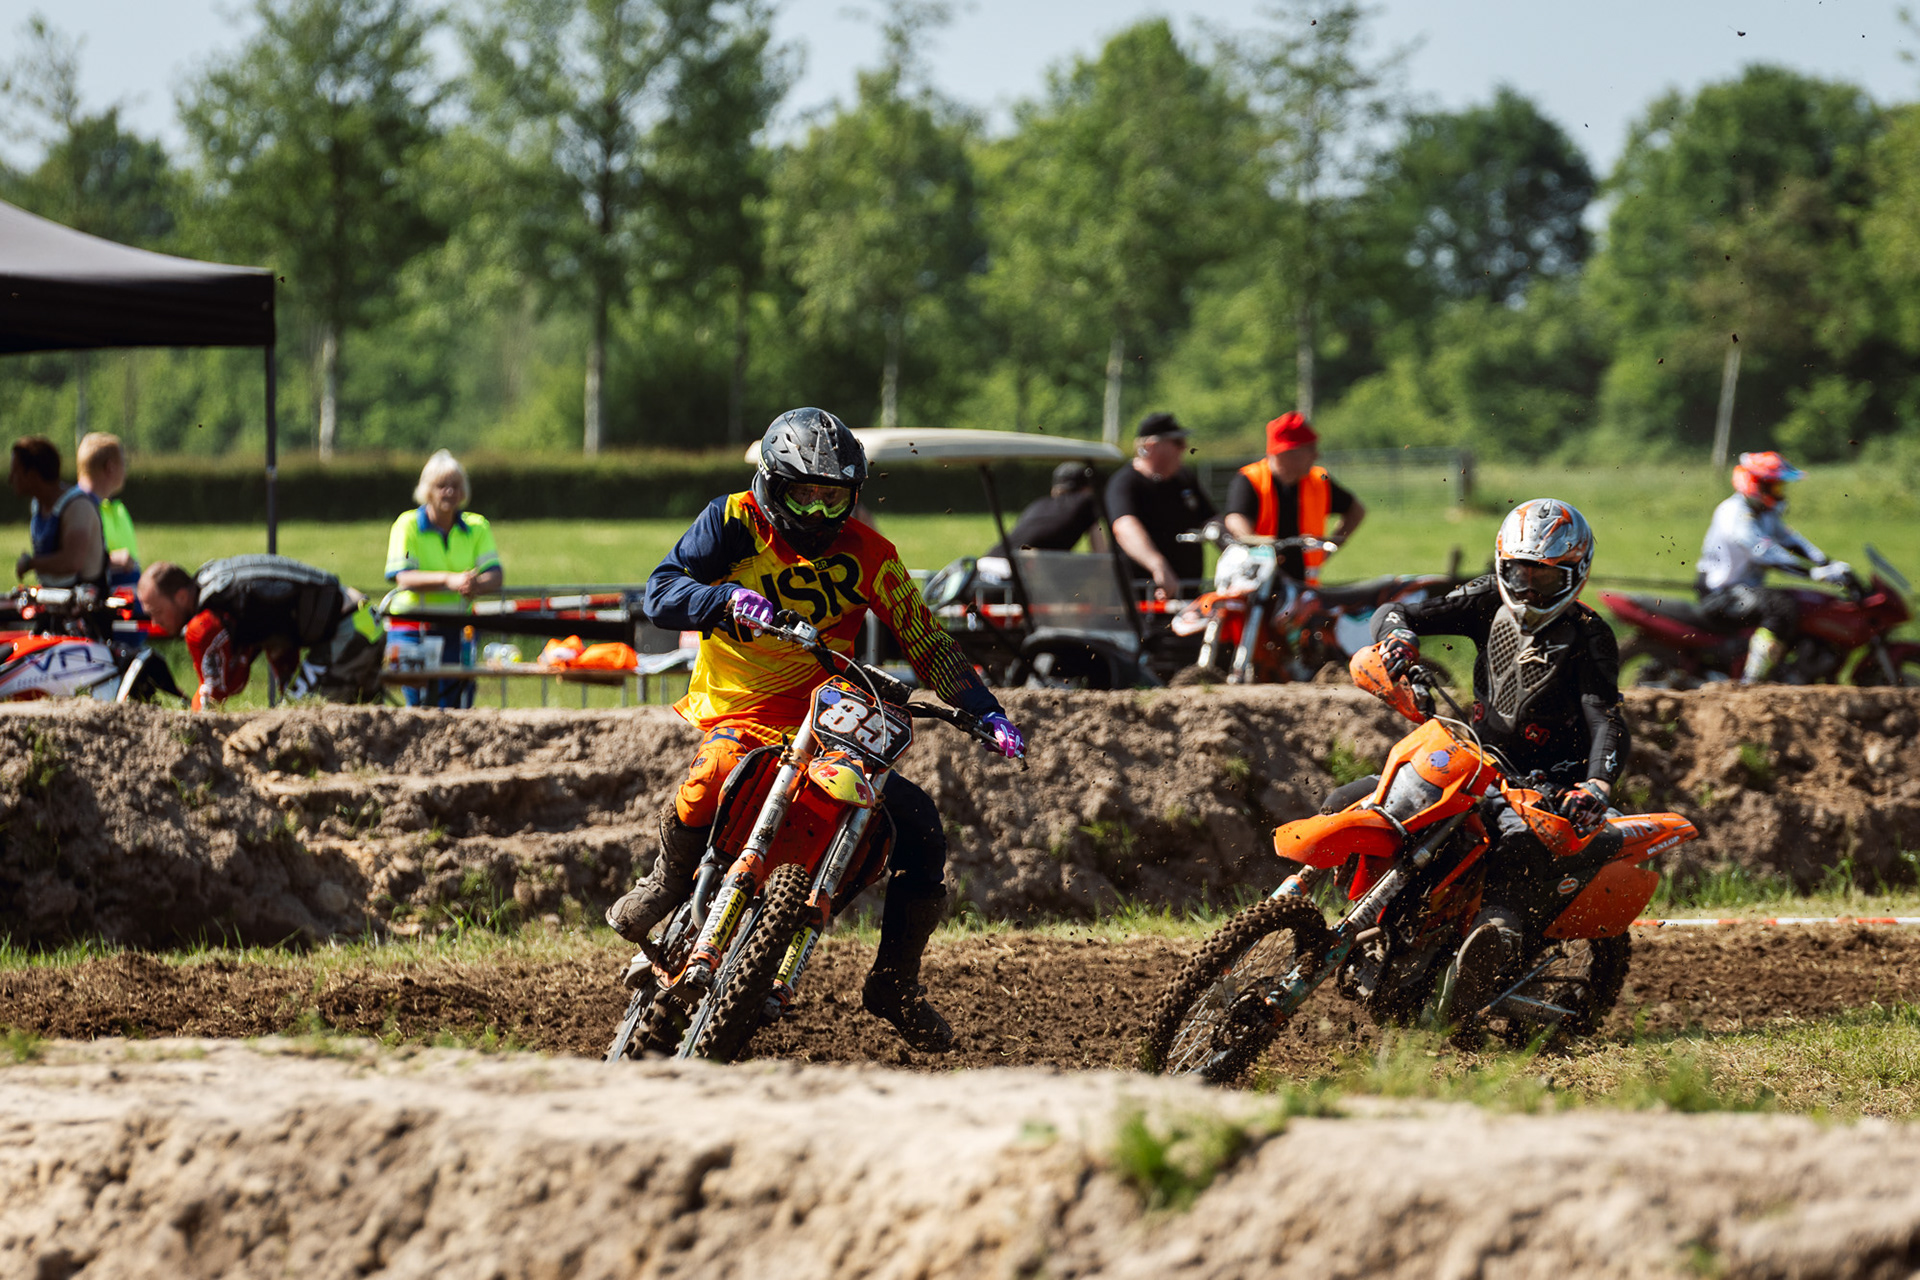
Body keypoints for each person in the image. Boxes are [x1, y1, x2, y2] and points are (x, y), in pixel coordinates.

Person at [608, 407, 1027, 1052]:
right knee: (714, 772)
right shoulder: (732, 520)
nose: (819, 511)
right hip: (743, 707)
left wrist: (986, 709)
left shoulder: (871, 554)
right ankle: (667, 880)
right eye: (804, 494)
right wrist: (721, 600)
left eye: (834, 498)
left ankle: (895, 983)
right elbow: (661, 592)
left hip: (832, 715)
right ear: (773, 485)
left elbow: (926, 640)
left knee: (918, 823)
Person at [1365, 499, 1628, 1018]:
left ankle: (1492, 946)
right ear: (1502, 565)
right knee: (1358, 800)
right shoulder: (1487, 597)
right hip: (1473, 758)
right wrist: (1397, 638)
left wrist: (1596, 785)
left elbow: (1606, 718)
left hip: (1547, 783)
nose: (1528, 591)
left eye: (1545, 579)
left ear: (1576, 574)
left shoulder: (1590, 634)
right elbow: (1400, 611)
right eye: (1519, 574)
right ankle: (1351, 919)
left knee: (1514, 843)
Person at [136, 555, 385, 709]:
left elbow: (212, 696)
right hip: (366, 622)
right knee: (366, 717)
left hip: (349, 631)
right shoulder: (219, 587)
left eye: (157, 611)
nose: (155, 622)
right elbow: (277, 638)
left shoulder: (207, 619)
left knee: (293, 720)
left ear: (181, 596)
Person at [1695, 451, 1848, 684]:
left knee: (1803, 603)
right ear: (1758, 485)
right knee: (1781, 607)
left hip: (1741, 588)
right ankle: (1752, 680)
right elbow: (1766, 554)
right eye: (1775, 486)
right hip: (1721, 592)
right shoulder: (1735, 514)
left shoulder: (1763, 513)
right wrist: (1814, 573)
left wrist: (1826, 562)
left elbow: (1789, 540)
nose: (1780, 492)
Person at [384, 450, 503, 709]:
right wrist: (449, 580)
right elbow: (403, 577)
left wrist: (475, 585)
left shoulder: (477, 526)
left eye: (456, 486)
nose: (449, 492)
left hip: (457, 627)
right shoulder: (407, 524)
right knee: (418, 702)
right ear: (427, 490)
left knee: (458, 698)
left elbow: (496, 575)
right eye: (442, 486)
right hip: (411, 626)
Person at [1223, 412, 1366, 585]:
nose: (1316, 455)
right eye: (1310, 449)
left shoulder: (1320, 479)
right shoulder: (1250, 479)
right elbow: (1235, 519)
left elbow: (1356, 511)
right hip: (1261, 585)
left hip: (1306, 587)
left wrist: (1330, 545)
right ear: (1285, 452)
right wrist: (1258, 545)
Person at [1105, 412, 1215, 599]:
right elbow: (1124, 527)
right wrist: (1157, 565)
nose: (1184, 448)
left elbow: (1211, 519)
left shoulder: (1184, 478)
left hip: (1188, 593)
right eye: (1177, 442)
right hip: (1146, 598)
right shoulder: (1125, 482)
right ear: (1151, 446)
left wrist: (1239, 551)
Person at [10, 436, 106, 593]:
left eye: (15, 472)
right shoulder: (37, 504)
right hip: (55, 599)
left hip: (86, 603)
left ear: (33, 474)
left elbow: (72, 562)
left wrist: (31, 563)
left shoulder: (77, 506)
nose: (10, 479)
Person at [988, 461, 1107, 556]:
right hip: (1019, 568)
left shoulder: (1037, 504)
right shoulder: (1086, 504)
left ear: (1054, 490)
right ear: (1086, 490)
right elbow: (1101, 555)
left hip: (990, 559)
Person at [76, 432, 140, 594]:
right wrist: (113, 560)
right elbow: (74, 558)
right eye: (124, 463)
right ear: (110, 467)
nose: (126, 471)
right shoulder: (79, 507)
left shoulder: (113, 506)